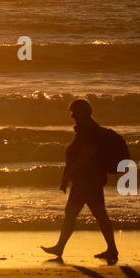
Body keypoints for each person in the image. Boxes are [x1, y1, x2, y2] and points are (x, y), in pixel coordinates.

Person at [42, 98, 123, 263]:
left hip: (87, 181)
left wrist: (67, 176)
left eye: (74, 112)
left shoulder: (89, 131)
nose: (72, 116)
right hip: (88, 180)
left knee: (78, 213)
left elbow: (84, 158)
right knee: (93, 214)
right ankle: (111, 249)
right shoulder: (88, 130)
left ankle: (61, 248)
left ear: (82, 113)